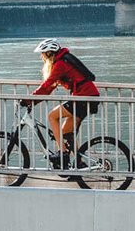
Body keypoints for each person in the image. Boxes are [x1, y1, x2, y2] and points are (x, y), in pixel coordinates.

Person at [25, 39, 100, 168]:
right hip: (86, 97)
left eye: (43, 53)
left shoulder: (60, 64)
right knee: (66, 133)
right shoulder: (62, 61)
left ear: (49, 53)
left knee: (52, 116)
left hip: (84, 97)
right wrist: (33, 101)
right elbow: (48, 89)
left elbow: (47, 85)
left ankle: (63, 153)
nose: (41, 56)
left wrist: (29, 99)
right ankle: (79, 164)